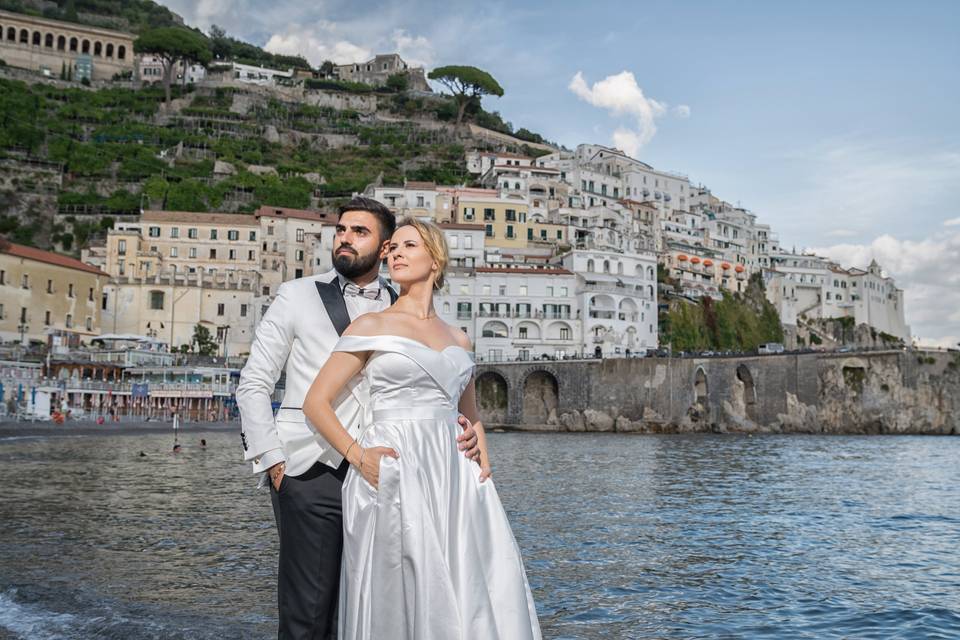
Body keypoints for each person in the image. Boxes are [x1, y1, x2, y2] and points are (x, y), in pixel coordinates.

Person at [237, 198, 481, 640]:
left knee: (375, 604)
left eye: (360, 232)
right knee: (310, 610)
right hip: (309, 468)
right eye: (342, 230)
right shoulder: (297, 294)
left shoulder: (399, 305)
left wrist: (472, 436)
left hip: (386, 474)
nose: (345, 238)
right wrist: (272, 460)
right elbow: (254, 383)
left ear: (385, 247)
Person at [303, 218, 541, 640]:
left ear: (436, 259)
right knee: (400, 591)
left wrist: (479, 439)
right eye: (391, 247)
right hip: (394, 467)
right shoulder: (371, 326)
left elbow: (467, 411)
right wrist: (361, 459)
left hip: (454, 475)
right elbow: (315, 403)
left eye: (408, 246)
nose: (394, 253)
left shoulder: (459, 338)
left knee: (471, 585)